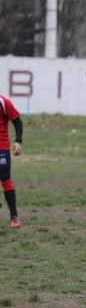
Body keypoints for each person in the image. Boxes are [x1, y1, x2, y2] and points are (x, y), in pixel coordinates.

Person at [0, 94, 24, 228]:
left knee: (4, 177)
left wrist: (18, 142)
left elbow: (17, 121)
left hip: (1, 147)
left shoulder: (3, 102)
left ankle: (14, 217)